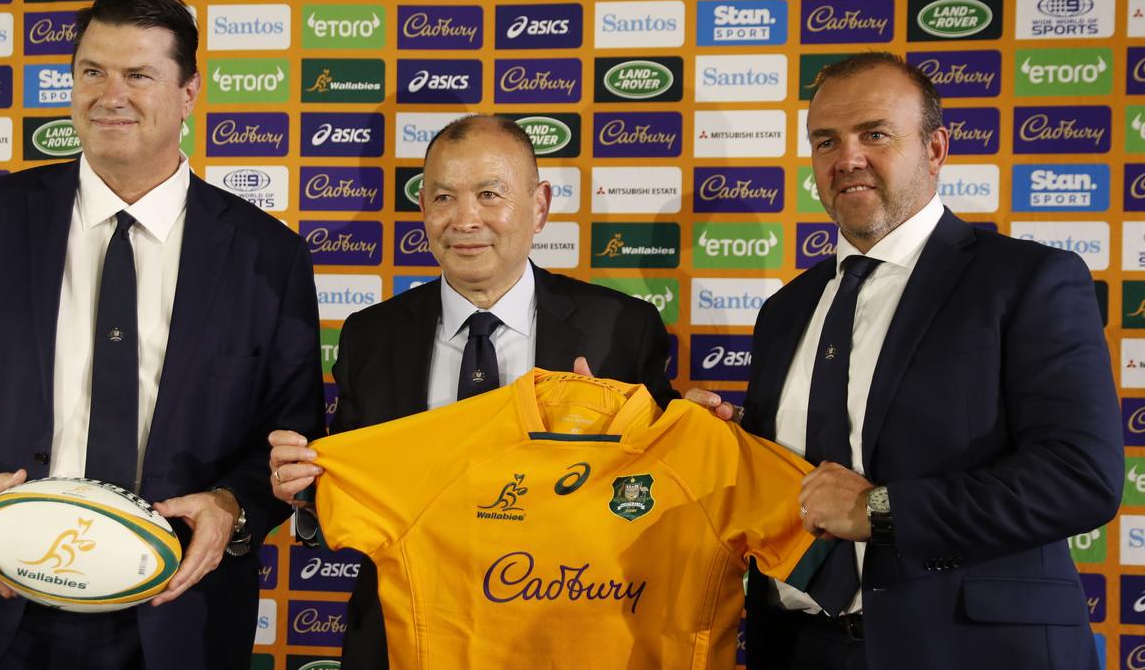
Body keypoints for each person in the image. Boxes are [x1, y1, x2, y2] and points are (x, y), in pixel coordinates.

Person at [0, 0, 323, 670]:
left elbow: (293, 431)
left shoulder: (269, 255)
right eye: (91, 72)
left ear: (188, 92)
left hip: (179, 616)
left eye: (138, 75)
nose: (109, 95)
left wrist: (234, 506)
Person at [735, 52, 1121, 669]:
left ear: (935, 149)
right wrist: (722, 441)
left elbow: (1080, 477)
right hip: (800, 648)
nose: (848, 158)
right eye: (826, 140)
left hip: (973, 651)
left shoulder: (1026, 280)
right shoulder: (785, 311)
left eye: (875, 134)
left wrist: (880, 511)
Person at [269, 114, 678, 668]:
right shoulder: (370, 336)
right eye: (442, 197)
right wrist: (307, 489)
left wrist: (616, 446)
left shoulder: (621, 332)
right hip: (405, 635)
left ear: (539, 207)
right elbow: (353, 481)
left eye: (490, 194)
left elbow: (661, 497)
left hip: (563, 638)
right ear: (422, 210)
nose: (464, 219)